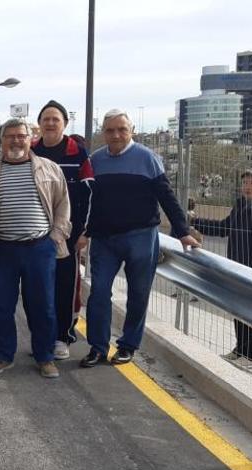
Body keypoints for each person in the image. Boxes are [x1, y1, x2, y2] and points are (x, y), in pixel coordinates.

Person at [81, 109, 200, 367]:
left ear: (131, 130)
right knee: (99, 292)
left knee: (138, 294)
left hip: (141, 237)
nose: (116, 135)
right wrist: (85, 232)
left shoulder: (148, 159)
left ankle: (127, 346)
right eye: (110, 130)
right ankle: (98, 347)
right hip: (104, 239)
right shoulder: (96, 160)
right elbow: (90, 201)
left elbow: (166, 196)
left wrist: (183, 232)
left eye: (122, 129)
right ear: (103, 133)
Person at [0, 118, 71, 378]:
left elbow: (62, 207)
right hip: (3, 249)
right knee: (1, 305)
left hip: (40, 248)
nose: (15, 140)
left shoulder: (50, 169)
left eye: (21, 136)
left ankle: (45, 357)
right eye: (10, 136)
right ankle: (4, 355)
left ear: (29, 137)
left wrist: (56, 237)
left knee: (42, 305)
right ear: (2, 140)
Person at [31, 100, 94, 360]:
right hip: (34, 235)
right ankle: (41, 337)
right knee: (37, 289)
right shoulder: (30, 150)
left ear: (65, 123)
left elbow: (90, 195)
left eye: (55, 119)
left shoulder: (77, 153)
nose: (50, 123)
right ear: (39, 123)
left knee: (65, 287)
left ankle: (62, 337)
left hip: (68, 236)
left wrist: (85, 233)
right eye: (46, 119)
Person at [191, 170, 252, 360]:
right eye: (245, 183)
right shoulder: (240, 205)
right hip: (236, 266)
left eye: (251, 183)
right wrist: (195, 222)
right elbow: (224, 228)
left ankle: (250, 353)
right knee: (237, 308)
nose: (247, 187)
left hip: (251, 268)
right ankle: (242, 349)